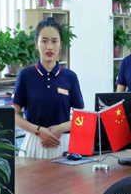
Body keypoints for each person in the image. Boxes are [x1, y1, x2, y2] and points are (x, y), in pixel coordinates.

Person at [12, 17, 84, 159]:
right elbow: (14, 115)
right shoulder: (25, 75)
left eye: (54, 41)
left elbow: (81, 117)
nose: (49, 47)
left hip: (62, 144)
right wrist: (38, 131)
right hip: (34, 143)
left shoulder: (70, 77)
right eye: (44, 41)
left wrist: (62, 128)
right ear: (36, 44)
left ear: (60, 45)